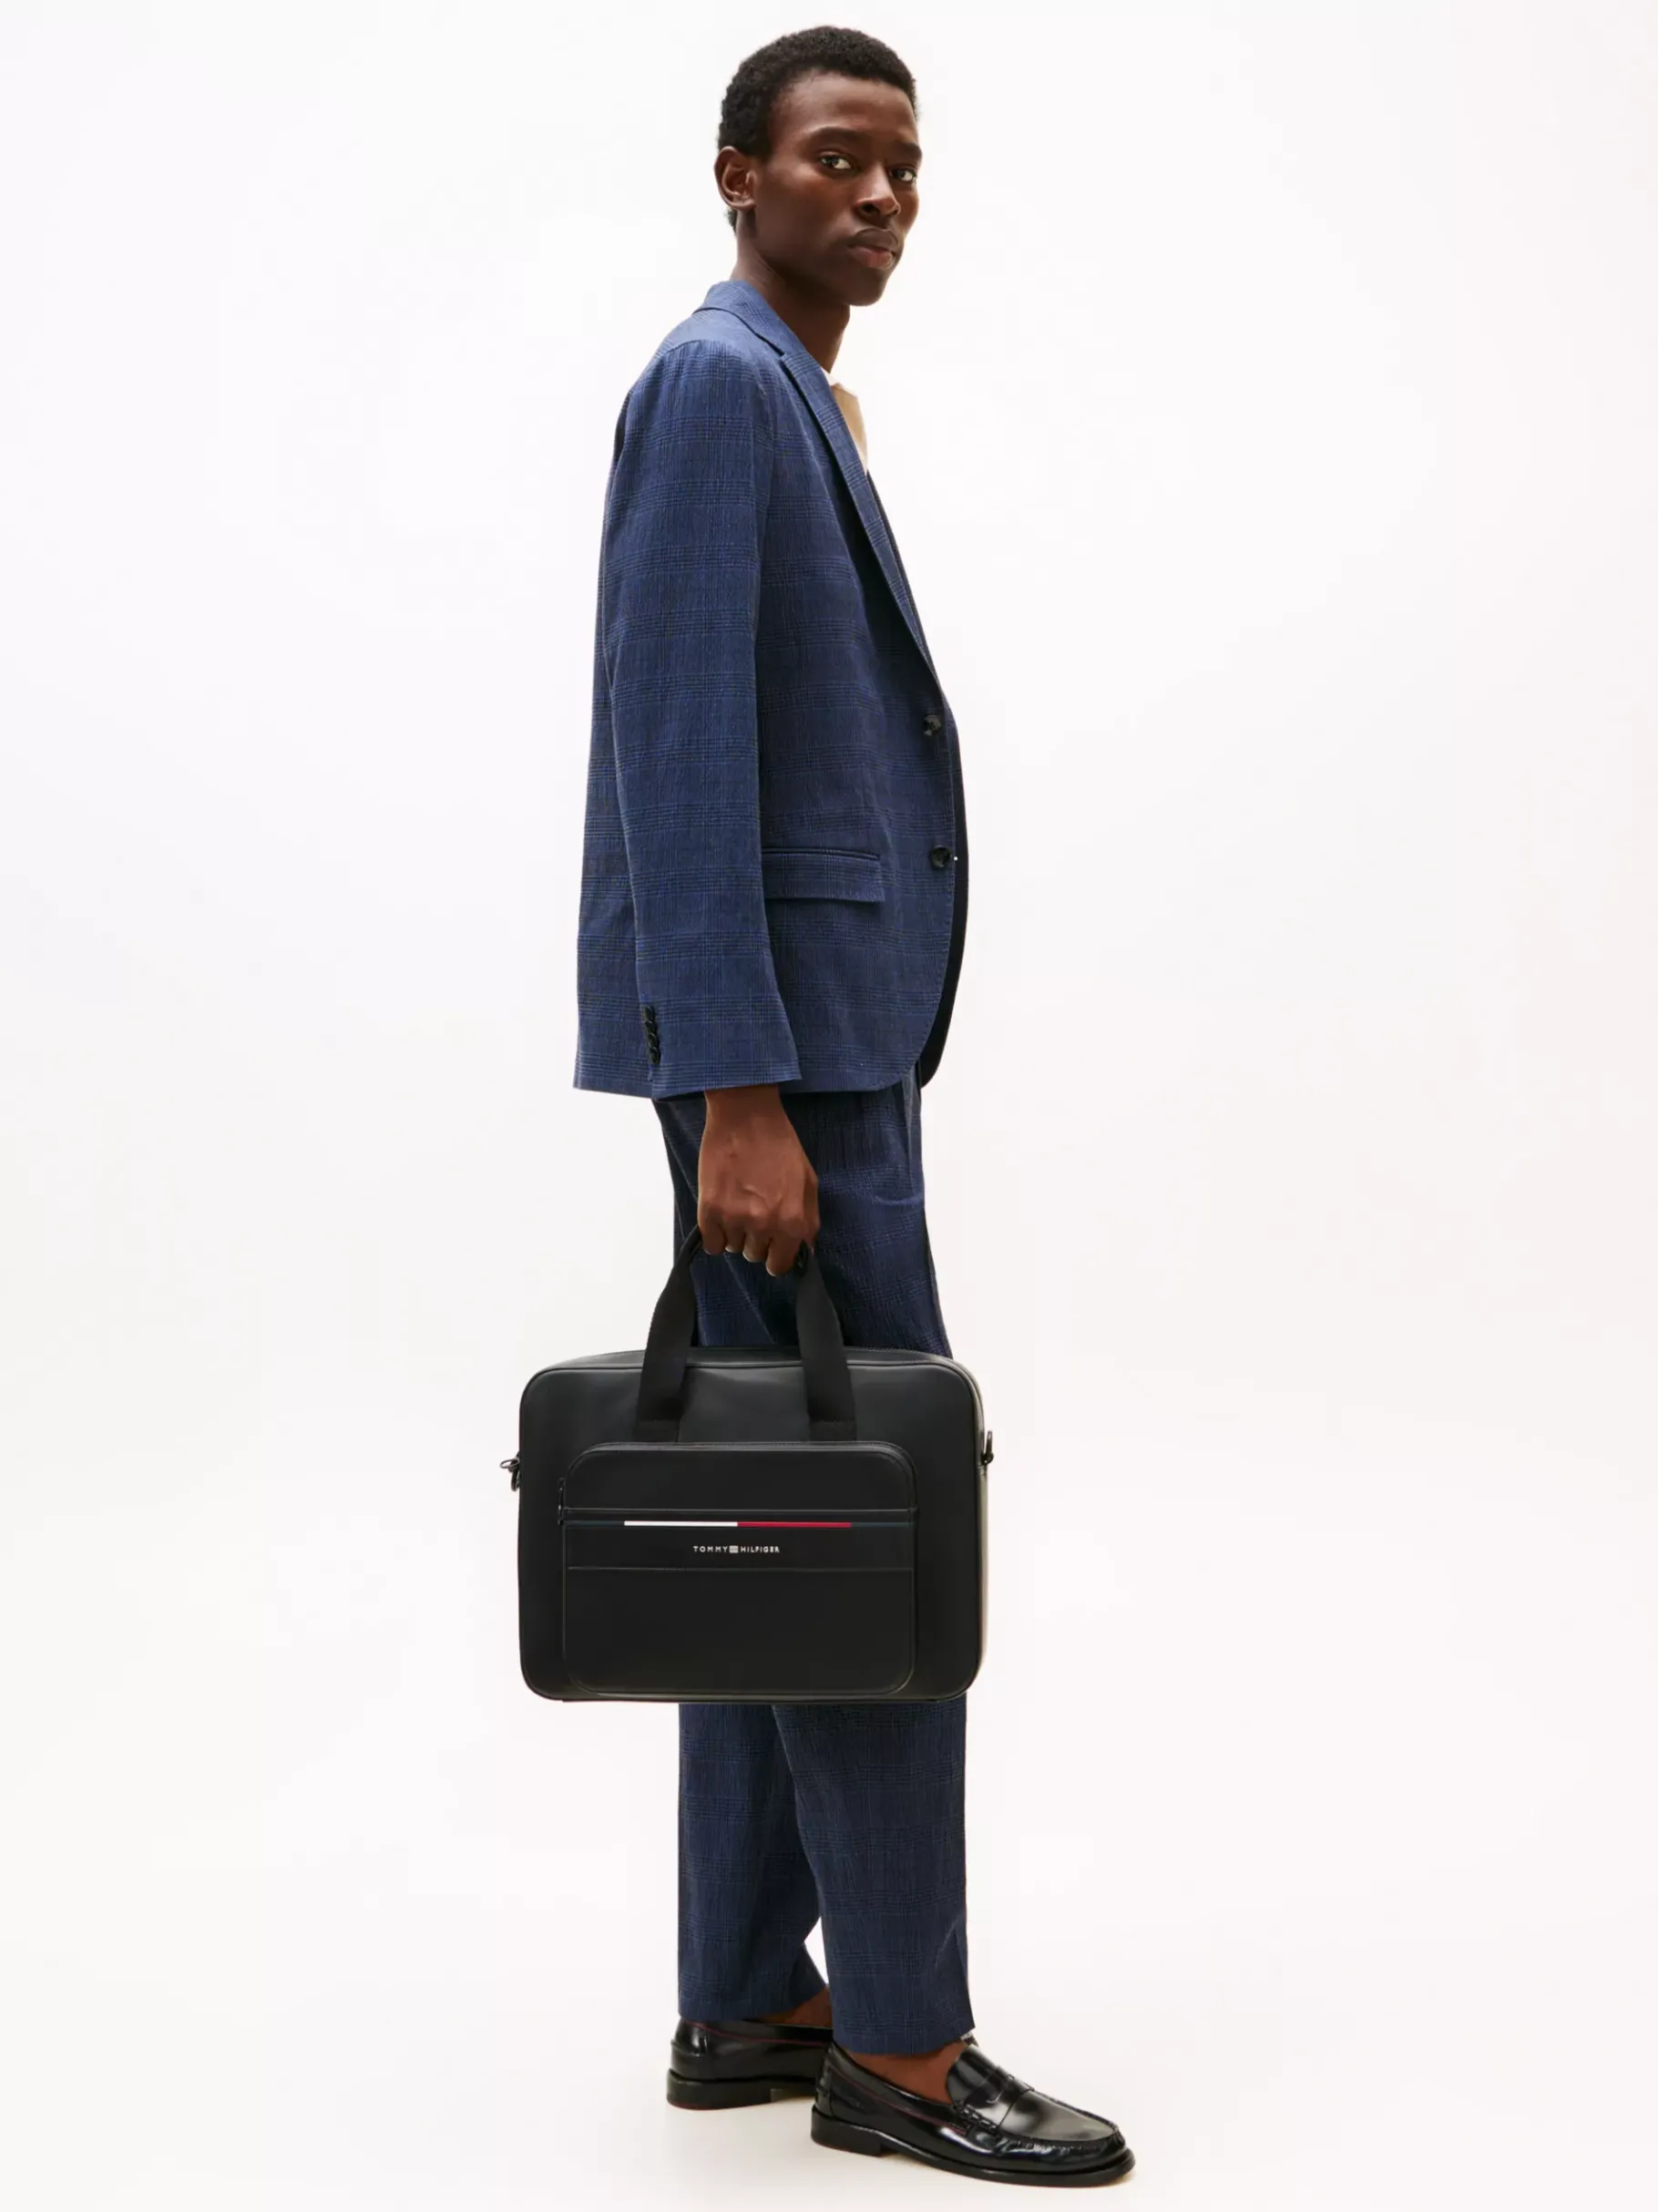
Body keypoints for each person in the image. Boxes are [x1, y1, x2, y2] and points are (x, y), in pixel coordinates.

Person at [571, 25, 1134, 2187]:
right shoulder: (721, 386)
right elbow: (675, 745)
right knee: (875, 1517)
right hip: (786, 1061)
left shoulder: (793, 391)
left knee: (777, 1501)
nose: (878, 194)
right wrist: (737, 1086)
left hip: (816, 1042)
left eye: (903, 164)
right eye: (834, 158)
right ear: (738, 176)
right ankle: (902, 2040)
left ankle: (747, 1991)